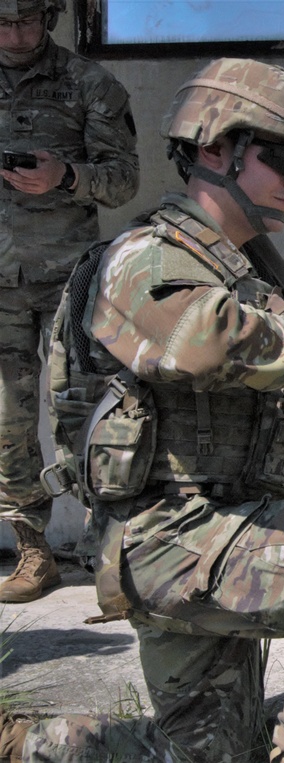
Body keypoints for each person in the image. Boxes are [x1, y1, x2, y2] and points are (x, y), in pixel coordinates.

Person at [1, 58, 284, 763]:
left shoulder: (255, 278)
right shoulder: (143, 258)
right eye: (282, 158)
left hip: (226, 535)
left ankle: (33, 747)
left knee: (210, 752)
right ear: (213, 148)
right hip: (168, 537)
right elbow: (197, 342)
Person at [0, 0, 139, 602]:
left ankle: (102, 550)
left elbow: (125, 179)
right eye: (2, 22)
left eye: (27, 21)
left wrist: (67, 176)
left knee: (80, 410)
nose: (15, 34)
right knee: (7, 419)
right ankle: (33, 550)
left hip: (65, 279)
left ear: (50, 17)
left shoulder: (89, 84)